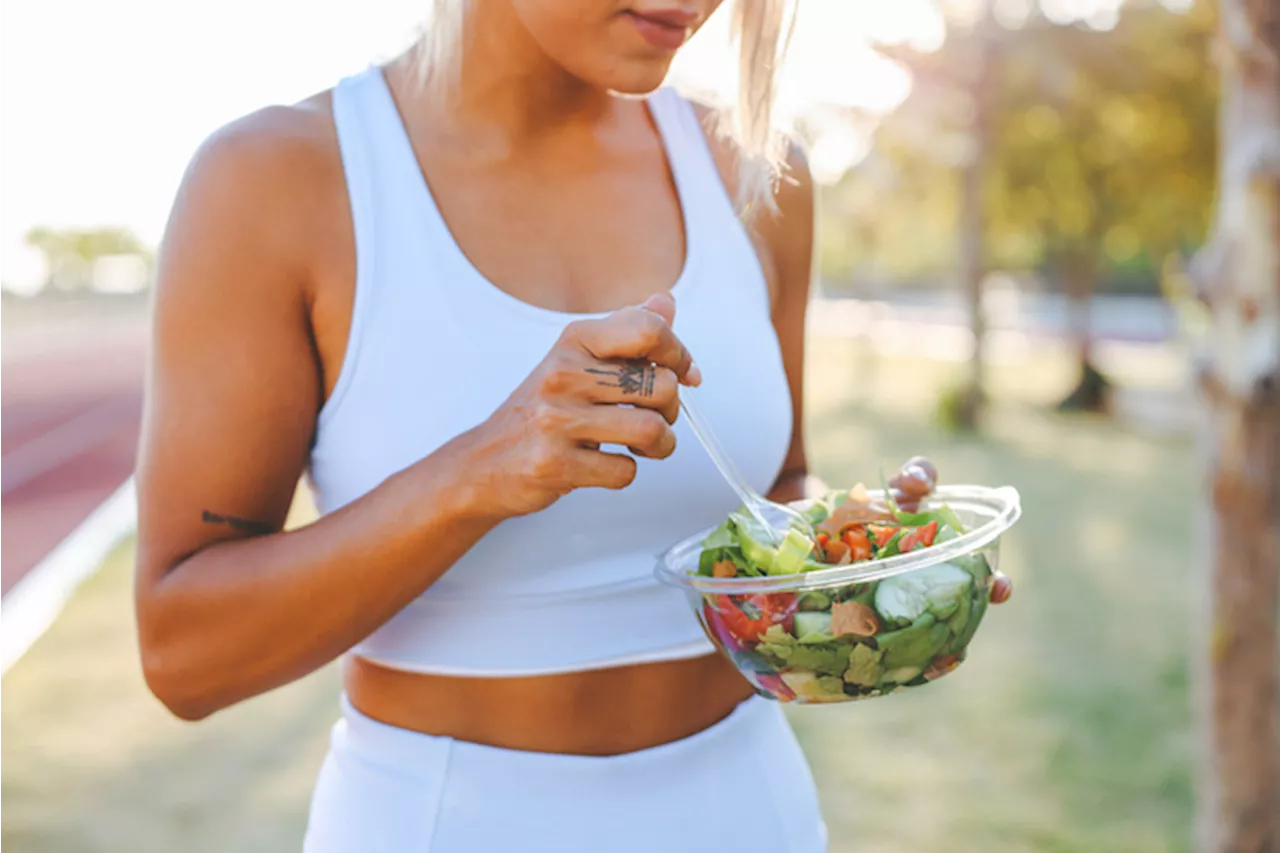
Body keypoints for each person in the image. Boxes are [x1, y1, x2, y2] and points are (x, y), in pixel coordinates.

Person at [133, 1, 1012, 850]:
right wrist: (476, 473)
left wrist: (862, 563)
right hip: (441, 821)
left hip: (750, 808)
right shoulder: (277, 180)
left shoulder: (754, 166)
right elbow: (186, 657)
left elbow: (778, 491)